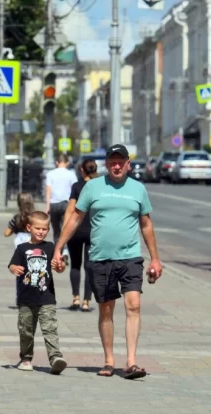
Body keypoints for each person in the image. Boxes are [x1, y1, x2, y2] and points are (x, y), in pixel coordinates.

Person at [54, 144, 163, 380]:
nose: (116, 166)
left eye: (120, 162)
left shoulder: (138, 189)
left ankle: (131, 361)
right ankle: (109, 360)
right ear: (106, 164)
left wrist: (155, 258)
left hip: (130, 257)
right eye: (112, 162)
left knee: (133, 304)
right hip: (100, 257)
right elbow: (76, 218)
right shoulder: (93, 187)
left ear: (128, 164)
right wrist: (59, 246)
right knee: (106, 308)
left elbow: (146, 224)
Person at [8, 211, 67, 374]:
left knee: (50, 329)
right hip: (26, 299)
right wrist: (15, 268)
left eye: (45, 229)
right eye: (38, 228)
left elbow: (60, 267)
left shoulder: (50, 247)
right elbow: (12, 265)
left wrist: (60, 267)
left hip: (47, 298)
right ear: (29, 228)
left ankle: (55, 357)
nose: (41, 232)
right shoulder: (22, 248)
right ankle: (26, 358)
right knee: (26, 330)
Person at [63, 159, 99, 312]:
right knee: (90, 266)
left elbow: (71, 210)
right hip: (94, 231)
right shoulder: (99, 187)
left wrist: (65, 231)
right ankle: (86, 302)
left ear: (82, 171)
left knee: (75, 265)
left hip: (76, 230)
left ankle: (75, 298)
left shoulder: (77, 187)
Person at [45, 155, 77, 265]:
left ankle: (57, 252)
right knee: (66, 228)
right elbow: (75, 189)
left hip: (54, 204)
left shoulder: (50, 174)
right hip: (67, 204)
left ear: (56, 162)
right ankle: (66, 251)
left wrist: (47, 205)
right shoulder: (71, 174)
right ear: (67, 163)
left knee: (56, 231)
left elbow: (48, 190)